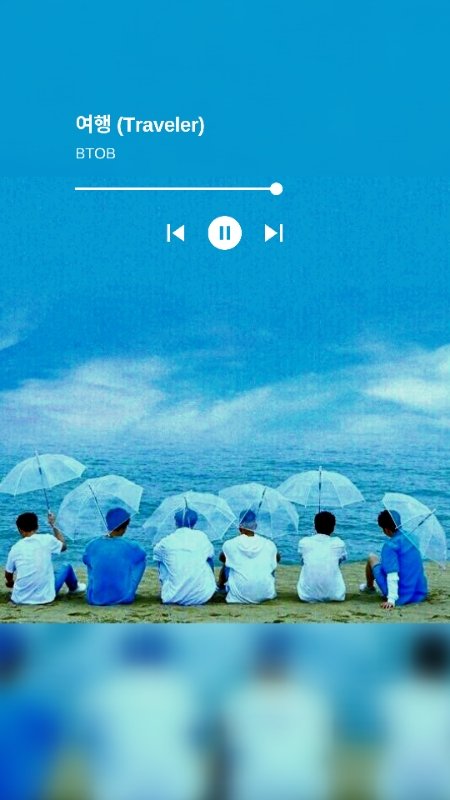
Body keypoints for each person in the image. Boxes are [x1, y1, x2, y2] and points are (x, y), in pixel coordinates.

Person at [4, 511, 85, 605]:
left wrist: (10, 582)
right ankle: (74, 589)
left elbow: (8, 573)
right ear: (37, 527)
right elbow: (63, 546)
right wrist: (54, 525)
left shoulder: (15, 548)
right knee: (66, 567)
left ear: (20, 530)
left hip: (19, 599)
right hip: (45, 598)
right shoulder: (47, 539)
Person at [360, 510, 428, 610]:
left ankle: (369, 588)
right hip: (419, 592)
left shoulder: (390, 545)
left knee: (372, 558)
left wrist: (391, 599)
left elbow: (392, 574)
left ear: (386, 530)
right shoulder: (414, 538)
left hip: (402, 595)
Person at [83, 507, 146, 606]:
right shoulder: (131, 546)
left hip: (94, 599)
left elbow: (85, 560)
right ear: (125, 527)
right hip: (124, 598)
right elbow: (143, 555)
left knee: (92, 561)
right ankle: (128, 591)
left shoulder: (91, 544)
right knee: (141, 560)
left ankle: (97, 589)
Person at [153, 507, 216, 606]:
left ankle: (170, 586)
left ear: (176, 522)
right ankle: (204, 584)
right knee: (207, 559)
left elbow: (156, 552)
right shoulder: (202, 537)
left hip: (172, 597)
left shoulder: (166, 541)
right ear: (195, 523)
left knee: (161, 559)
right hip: (202, 596)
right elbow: (210, 559)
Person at [218, 510, 279, 604]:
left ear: (239, 526)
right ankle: (263, 587)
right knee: (271, 561)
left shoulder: (230, 544)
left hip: (238, 596)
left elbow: (221, 558)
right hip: (266, 594)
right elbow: (277, 558)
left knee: (227, 562)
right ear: (255, 526)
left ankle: (221, 586)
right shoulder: (269, 544)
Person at [297, 510, 347, 602]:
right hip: (335, 595)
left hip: (307, 595)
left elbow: (302, 560)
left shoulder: (304, 542)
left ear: (315, 526)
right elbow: (341, 561)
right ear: (333, 528)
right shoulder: (339, 543)